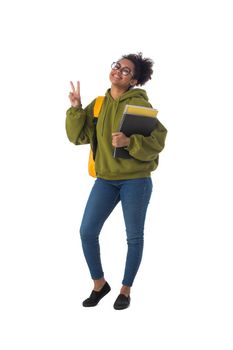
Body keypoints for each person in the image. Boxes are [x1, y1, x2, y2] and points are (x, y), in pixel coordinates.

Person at [66, 53, 167, 310]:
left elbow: (158, 141)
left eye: (125, 71)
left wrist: (129, 142)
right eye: (117, 66)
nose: (118, 72)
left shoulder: (140, 106)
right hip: (105, 180)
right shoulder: (99, 105)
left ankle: (125, 289)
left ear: (133, 80)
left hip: (136, 181)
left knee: (133, 236)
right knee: (87, 232)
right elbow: (77, 137)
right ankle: (99, 284)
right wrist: (76, 110)